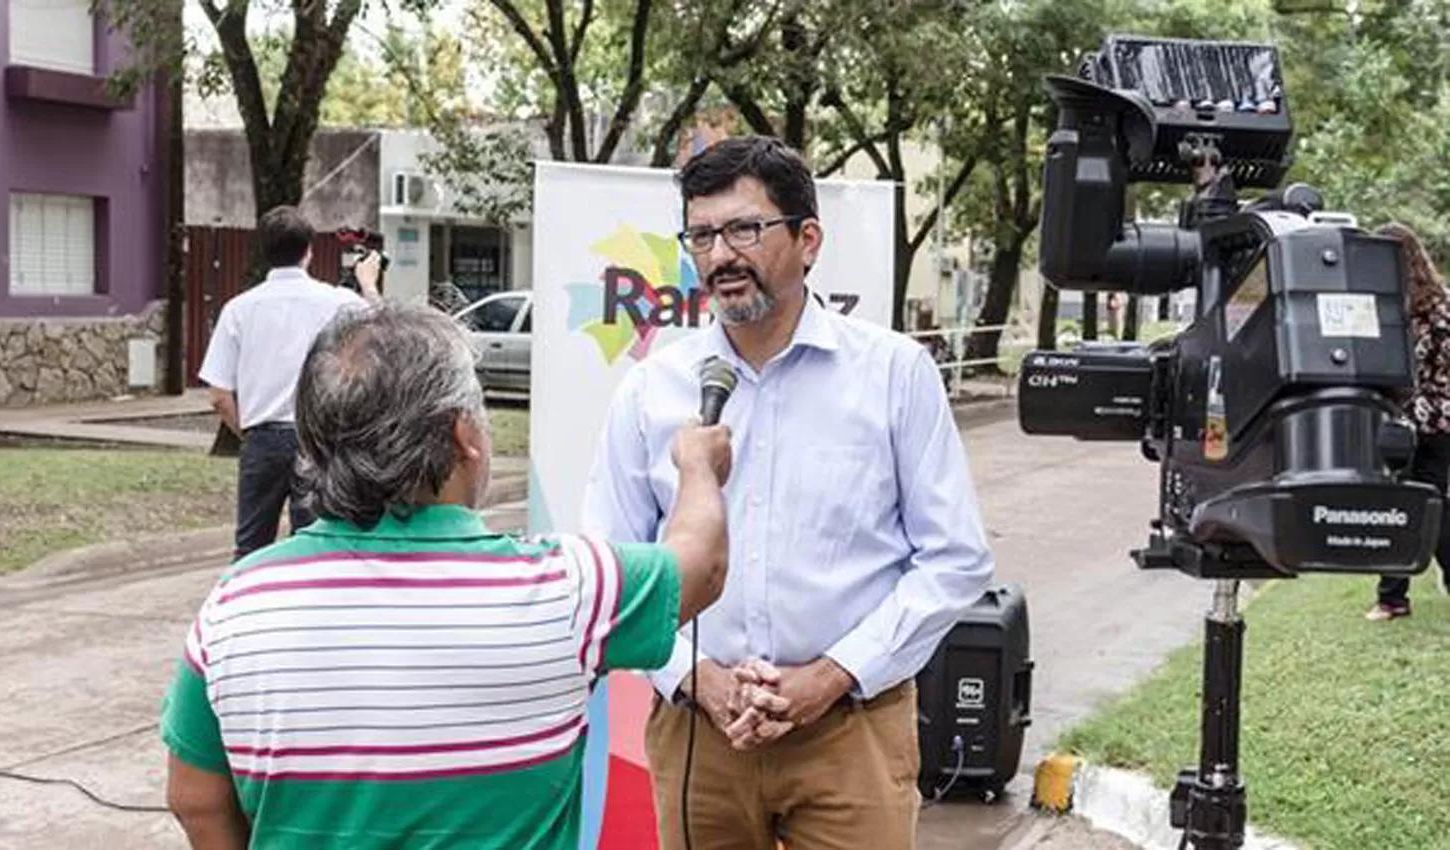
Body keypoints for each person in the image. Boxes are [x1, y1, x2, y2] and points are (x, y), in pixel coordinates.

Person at [161, 302, 733, 849]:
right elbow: (701, 565)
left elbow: (195, 799)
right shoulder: (566, 591)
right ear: (464, 436)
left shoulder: (237, 604)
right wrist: (697, 469)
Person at [582, 135, 996, 849]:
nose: (719, 256)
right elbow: (611, 565)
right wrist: (697, 677)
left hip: (851, 730)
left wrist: (832, 676)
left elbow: (954, 560)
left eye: (745, 229)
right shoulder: (653, 389)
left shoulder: (894, 376)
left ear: (808, 240)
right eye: (702, 235)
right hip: (699, 734)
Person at [197, 205, 381, 561]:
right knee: (312, 546)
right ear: (309, 251)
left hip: (261, 438)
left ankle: (245, 610)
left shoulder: (238, 309)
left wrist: (248, 432)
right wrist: (369, 284)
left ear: (264, 252)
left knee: (251, 546)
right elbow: (387, 326)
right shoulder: (339, 301)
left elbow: (218, 396)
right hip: (318, 438)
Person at [1368, 222, 1450, 620]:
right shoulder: (1438, 301)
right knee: (1429, 504)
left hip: (1421, 422)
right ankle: (1393, 595)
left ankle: (1392, 598)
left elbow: (1408, 370)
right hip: (1438, 422)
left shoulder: (1417, 310)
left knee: (1408, 505)